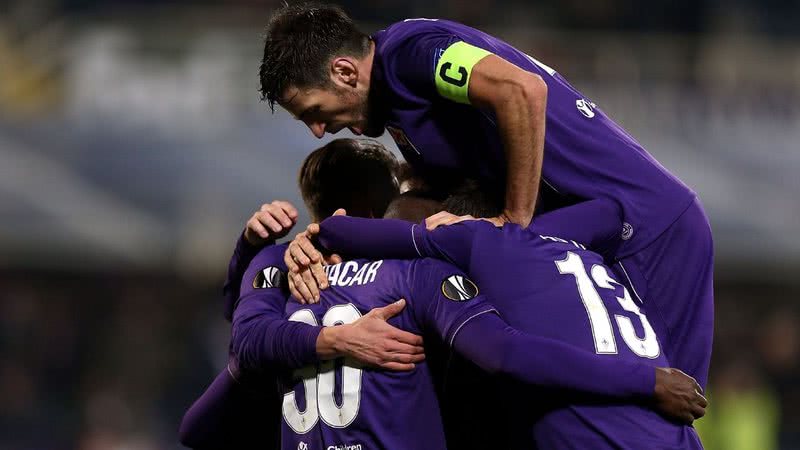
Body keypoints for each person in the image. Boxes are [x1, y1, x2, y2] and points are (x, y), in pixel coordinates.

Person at [260, 4, 714, 388]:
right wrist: (321, 243)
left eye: (315, 113)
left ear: (344, 72)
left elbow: (521, 90)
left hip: (647, 230)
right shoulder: (397, 106)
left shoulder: (411, 54)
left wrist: (511, 224)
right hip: (584, 233)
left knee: (661, 402)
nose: (319, 131)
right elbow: (420, 212)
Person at [180, 139, 705, 449]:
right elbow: (506, 353)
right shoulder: (419, 277)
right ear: (375, 209)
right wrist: (341, 341)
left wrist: (253, 247)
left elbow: (207, 408)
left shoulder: (278, 264)